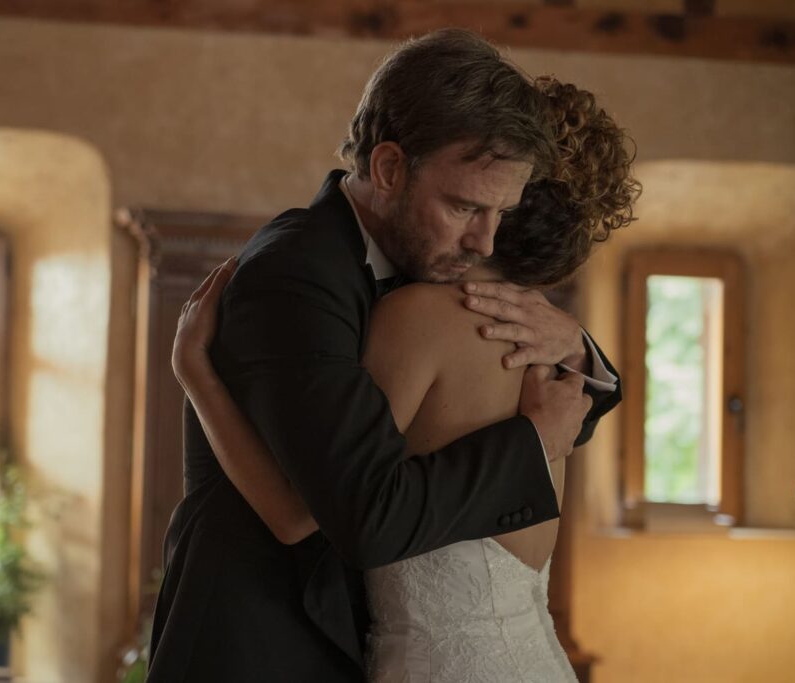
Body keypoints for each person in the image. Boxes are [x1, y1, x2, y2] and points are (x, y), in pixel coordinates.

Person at [147, 29, 625, 682]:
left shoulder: (427, 272)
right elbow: (361, 515)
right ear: (390, 168)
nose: (484, 243)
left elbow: (545, 415)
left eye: (500, 214)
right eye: (464, 206)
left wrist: (576, 349)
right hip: (258, 645)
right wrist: (532, 442)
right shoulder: (296, 272)